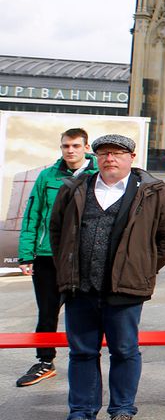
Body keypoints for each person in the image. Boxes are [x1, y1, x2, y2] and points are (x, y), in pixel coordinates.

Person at [49, 134, 165, 420]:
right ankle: (80, 416)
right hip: (80, 287)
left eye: (117, 153)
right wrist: (67, 265)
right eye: (104, 153)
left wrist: (145, 268)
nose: (110, 158)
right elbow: (57, 231)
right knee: (82, 352)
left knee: (124, 350)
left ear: (131, 157)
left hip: (125, 289)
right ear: (95, 157)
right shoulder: (75, 189)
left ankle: (122, 411)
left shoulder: (153, 191)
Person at [15, 128, 97, 387]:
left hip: (84, 256)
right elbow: (32, 215)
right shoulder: (47, 176)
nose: (70, 150)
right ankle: (44, 361)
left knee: (86, 311)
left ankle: (84, 357)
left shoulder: (98, 175)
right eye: (65, 146)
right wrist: (26, 255)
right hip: (48, 255)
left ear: (86, 147)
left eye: (75, 145)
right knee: (47, 312)